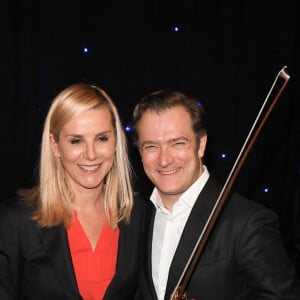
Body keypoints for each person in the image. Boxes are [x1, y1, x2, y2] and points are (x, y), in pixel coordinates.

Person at [131, 89, 300, 300]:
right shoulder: (137, 216)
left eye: (177, 143)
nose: (164, 160)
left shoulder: (248, 222)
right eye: (152, 146)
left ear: (201, 144)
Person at [0, 83, 144, 300]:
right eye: (76, 141)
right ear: (55, 145)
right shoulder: (16, 220)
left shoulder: (138, 213)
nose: (91, 154)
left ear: (116, 141)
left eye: (102, 138)